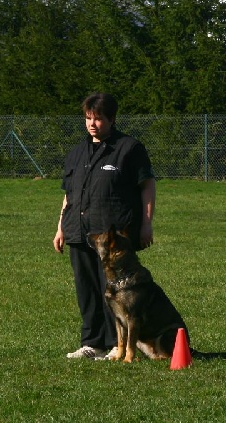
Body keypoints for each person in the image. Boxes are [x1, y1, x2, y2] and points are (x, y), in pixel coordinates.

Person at [53, 93, 156, 360]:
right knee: (86, 290)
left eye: (98, 118)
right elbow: (69, 193)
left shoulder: (130, 149)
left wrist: (147, 224)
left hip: (113, 238)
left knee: (115, 292)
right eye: (88, 118)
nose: (92, 124)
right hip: (78, 230)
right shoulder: (77, 153)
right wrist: (61, 227)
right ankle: (91, 343)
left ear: (111, 119)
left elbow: (147, 186)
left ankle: (115, 344)